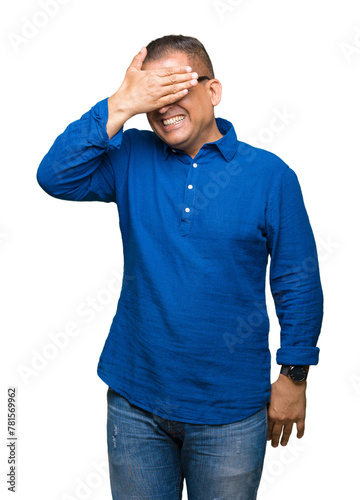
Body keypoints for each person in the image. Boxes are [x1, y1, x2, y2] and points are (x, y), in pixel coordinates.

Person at [36, 34, 323, 500]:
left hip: (231, 412)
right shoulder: (130, 156)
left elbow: (297, 279)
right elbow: (55, 175)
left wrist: (294, 375)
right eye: (154, 93)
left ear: (213, 91)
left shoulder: (270, 175)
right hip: (136, 404)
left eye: (177, 88)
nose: (163, 105)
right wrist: (121, 103)